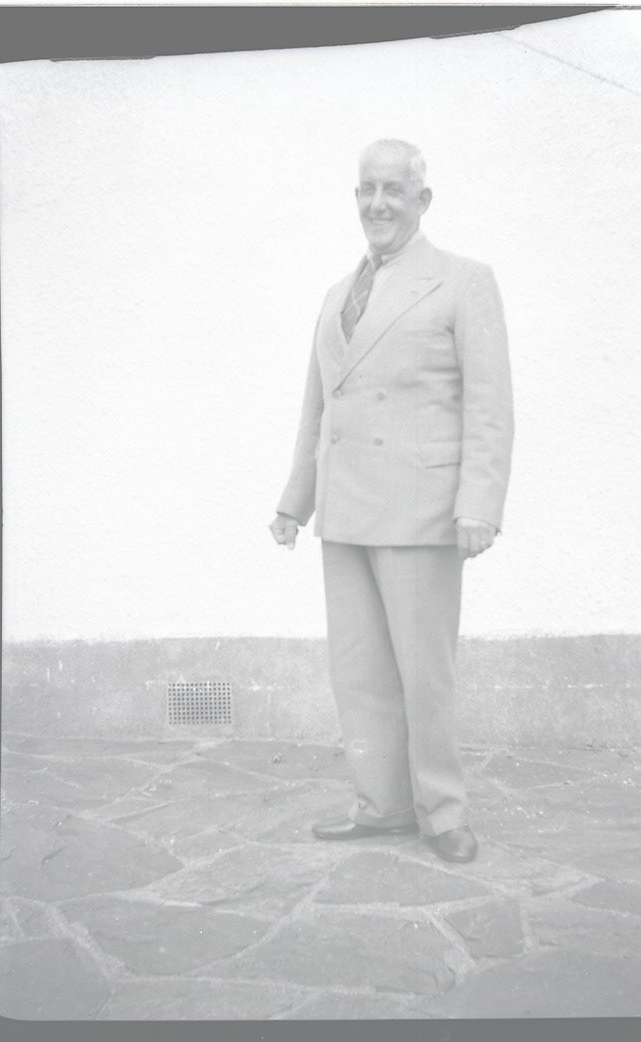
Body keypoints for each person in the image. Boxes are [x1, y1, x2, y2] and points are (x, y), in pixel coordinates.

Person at [269, 139, 513, 863]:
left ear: (421, 200)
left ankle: (442, 812)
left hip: (421, 511)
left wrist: (479, 503)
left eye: (393, 190)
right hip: (344, 510)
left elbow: (490, 405)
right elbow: (318, 408)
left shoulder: (463, 281)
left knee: (423, 674)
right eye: (366, 189)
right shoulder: (335, 296)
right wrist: (294, 502)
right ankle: (381, 805)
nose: (378, 203)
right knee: (360, 673)